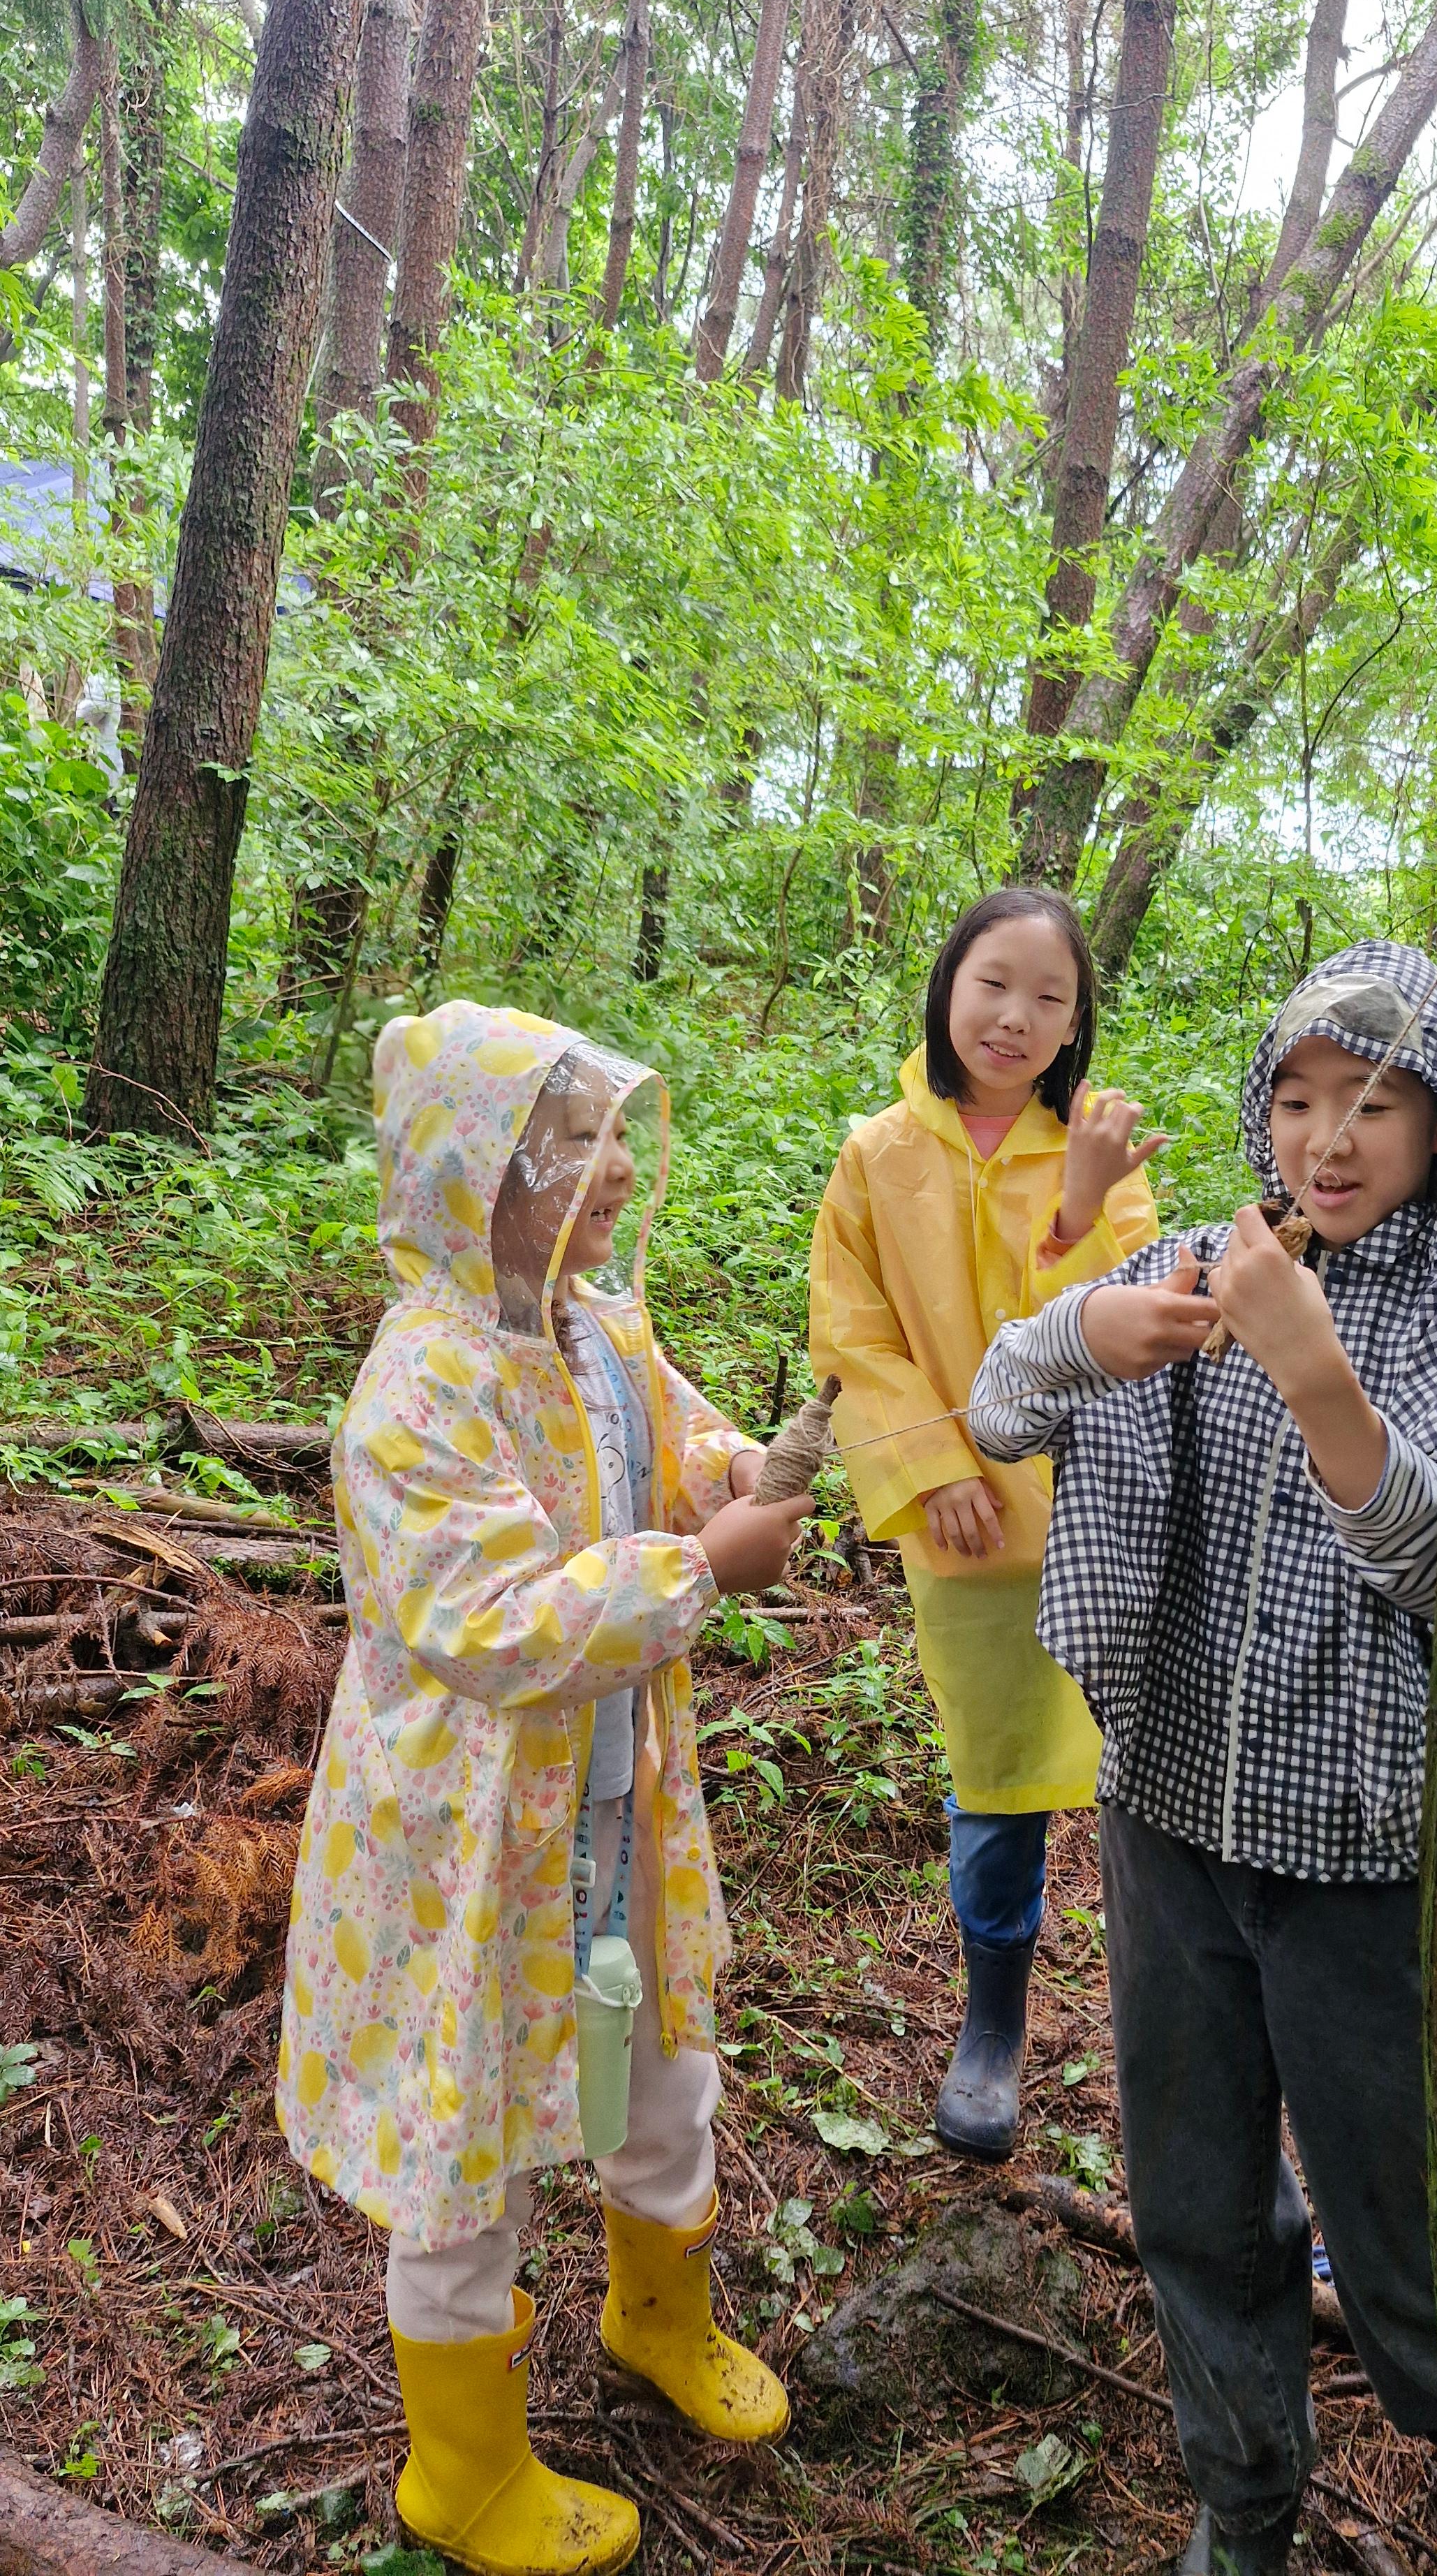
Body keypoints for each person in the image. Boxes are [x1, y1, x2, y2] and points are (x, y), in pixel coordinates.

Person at [279, 1001, 811, 2576]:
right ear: (474, 1169)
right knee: (472, 2134)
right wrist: (701, 1566)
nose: (617, 1168)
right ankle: (464, 2467)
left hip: (611, 1803)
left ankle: (658, 2314)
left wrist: (738, 1470)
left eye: (611, 1134)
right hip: (465, 1846)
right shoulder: (419, 1387)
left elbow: (662, 1435)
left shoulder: (594, 1324)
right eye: (575, 1143)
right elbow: (497, 1619)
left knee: (653, 2053)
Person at [967, 940, 1437, 2576]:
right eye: (1301, 1098)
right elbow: (997, 1402)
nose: (1332, 1138)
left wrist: (1315, 1371)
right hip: (1170, 1818)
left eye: (1376, 1103)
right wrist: (1088, 1328)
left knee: (1405, 2218)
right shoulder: (1199, 1260)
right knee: (1196, 2196)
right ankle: (1243, 2494)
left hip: (1362, 1855)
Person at [809, 888, 1161, 2159]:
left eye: (1049, 997)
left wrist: (1078, 1206)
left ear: (1075, 1025)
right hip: (964, 1533)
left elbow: (1121, 1332)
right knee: (997, 1780)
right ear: (947, 987)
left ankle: (1170, 2033)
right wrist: (930, 1465)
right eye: (993, 984)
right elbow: (854, 1334)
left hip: (1102, 1515)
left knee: (1146, 1784)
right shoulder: (876, 1156)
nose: (1015, 1017)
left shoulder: (1101, 1153)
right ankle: (993, 2023)